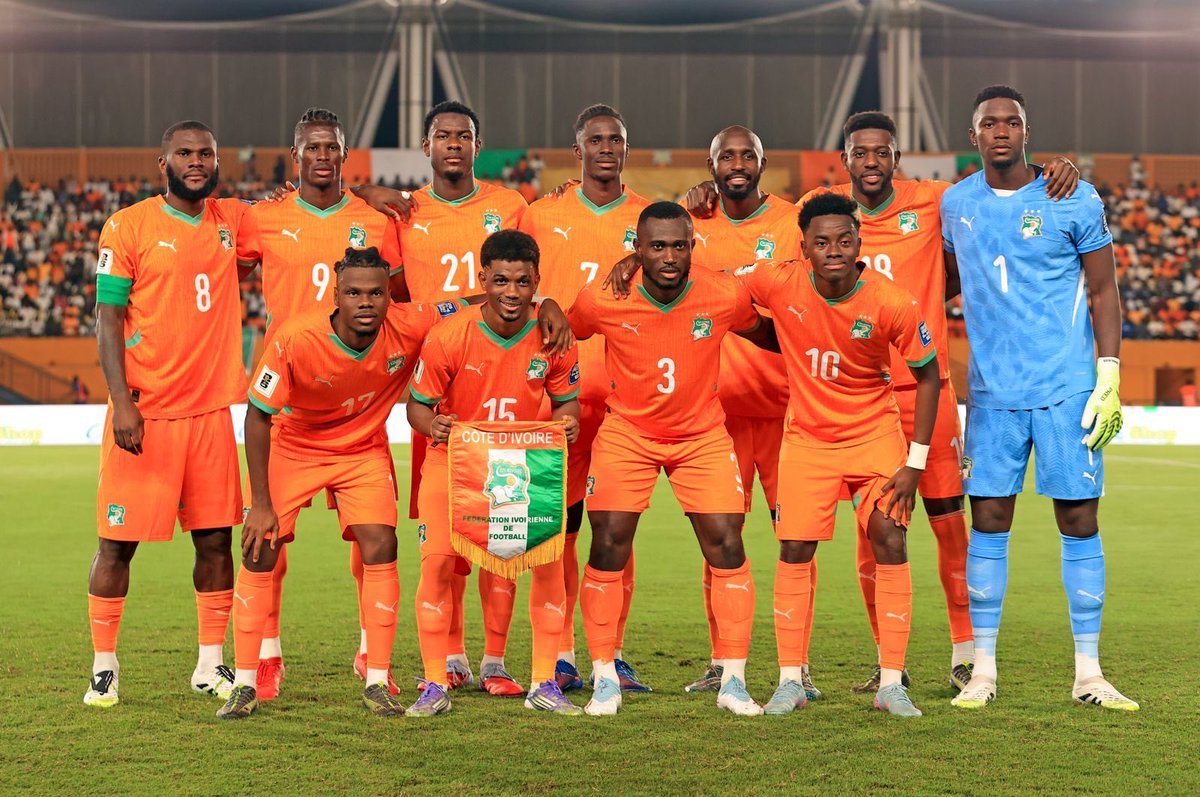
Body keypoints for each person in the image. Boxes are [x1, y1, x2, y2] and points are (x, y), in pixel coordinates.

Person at [941, 85, 1136, 711]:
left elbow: (1104, 291)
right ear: (973, 137)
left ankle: (1089, 673)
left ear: (1027, 132)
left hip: (1064, 387)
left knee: (1079, 519)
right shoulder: (953, 204)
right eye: (989, 123)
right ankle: (984, 672)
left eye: (1012, 122)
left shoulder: (1071, 194)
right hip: (994, 395)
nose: (1001, 131)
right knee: (989, 523)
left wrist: (1108, 375)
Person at [219, 246, 459, 719]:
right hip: (295, 444)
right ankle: (245, 682)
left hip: (361, 448)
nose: (365, 302)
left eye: (375, 292)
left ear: (391, 295)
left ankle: (376, 679)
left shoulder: (410, 323)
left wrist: (544, 305)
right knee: (258, 546)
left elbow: (471, 302)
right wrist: (262, 502)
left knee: (381, 544)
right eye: (354, 292)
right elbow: (257, 415)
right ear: (336, 295)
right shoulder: (295, 338)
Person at [568, 202, 777, 717]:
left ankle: (733, 679)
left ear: (692, 246)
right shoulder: (604, 296)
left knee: (727, 543)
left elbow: (768, 333)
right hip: (628, 433)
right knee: (609, 542)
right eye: (656, 246)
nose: (668, 256)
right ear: (636, 248)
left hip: (701, 434)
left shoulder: (722, 293)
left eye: (679, 245)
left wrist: (826, 343)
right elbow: (560, 329)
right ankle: (603, 677)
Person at [736, 193, 941, 717]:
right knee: (795, 548)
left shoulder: (891, 300)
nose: (834, 250)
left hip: (874, 435)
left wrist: (914, 464)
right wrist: (763, 330)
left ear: (859, 244)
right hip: (807, 440)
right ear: (802, 246)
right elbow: (719, 283)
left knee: (888, 538)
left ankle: (891, 683)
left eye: (844, 240)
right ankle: (790, 680)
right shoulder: (779, 280)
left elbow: (928, 375)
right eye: (821, 242)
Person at [235, 108, 406, 700]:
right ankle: (267, 656)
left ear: (344, 153)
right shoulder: (264, 218)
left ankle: (370, 649)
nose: (322, 157)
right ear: (295, 154)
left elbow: (401, 301)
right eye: (312, 148)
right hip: (290, 404)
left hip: (359, 411)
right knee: (267, 544)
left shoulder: (374, 219)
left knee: (373, 540)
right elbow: (213, 255)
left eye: (331, 147)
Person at [86, 121, 249, 708]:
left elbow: (298, 219)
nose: (197, 161)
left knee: (214, 545)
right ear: (163, 162)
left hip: (208, 416)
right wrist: (122, 401)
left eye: (206, 152)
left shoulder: (230, 220)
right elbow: (107, 319)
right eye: (185, 152)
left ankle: (210, 665)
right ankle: (104, 667)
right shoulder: (128, 225)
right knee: (115, 545)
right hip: (146, 414)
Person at [406, 229, 584, 717]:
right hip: (453, 460)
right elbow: (416, 408)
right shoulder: (449, 336)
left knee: (545, 564)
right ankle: (434, 682)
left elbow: (568, 401)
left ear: (536, 283)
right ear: (482, 278)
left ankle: (543, 682)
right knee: (439, 563)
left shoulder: (553, 339)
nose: (511, 292)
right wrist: (433, 423)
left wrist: (567, 423)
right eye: (500, 280)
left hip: (523, 463)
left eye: (522, 282)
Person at [391, 100, 532, 696]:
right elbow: (395, 290)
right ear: (426, 147)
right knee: (441, 541)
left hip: (503, 381)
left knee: (503, 535)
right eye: (443, 136)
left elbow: (531, 273)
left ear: (479, 145)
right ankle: (449, 655)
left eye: (464, 136)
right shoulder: (405, 212)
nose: (453, 144)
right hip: (438, 388)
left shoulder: (510, 208)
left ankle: (496, 660)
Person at [520, 104, 652, 692]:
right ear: (577, 151)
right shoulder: (540, 215)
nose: (606, 148)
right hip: (559, 403)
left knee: (615, 531)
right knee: (558, 531)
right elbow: (510, 286)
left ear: (627, 148)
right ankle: (562, 652)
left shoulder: (650, 216)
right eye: (595, 140)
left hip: (628, 403)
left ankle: (611, 649)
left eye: (616, 139)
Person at [677, 125, 811, 697]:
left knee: (796, 540)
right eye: (725, 155)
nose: (736, 164)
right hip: (717, 417)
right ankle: (719, 659)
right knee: (720, 538)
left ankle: (795, 668)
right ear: (709, 165)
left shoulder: (791, 222)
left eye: (746, 155)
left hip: (788, 413)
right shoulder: (692, 225)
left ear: (763, 161)